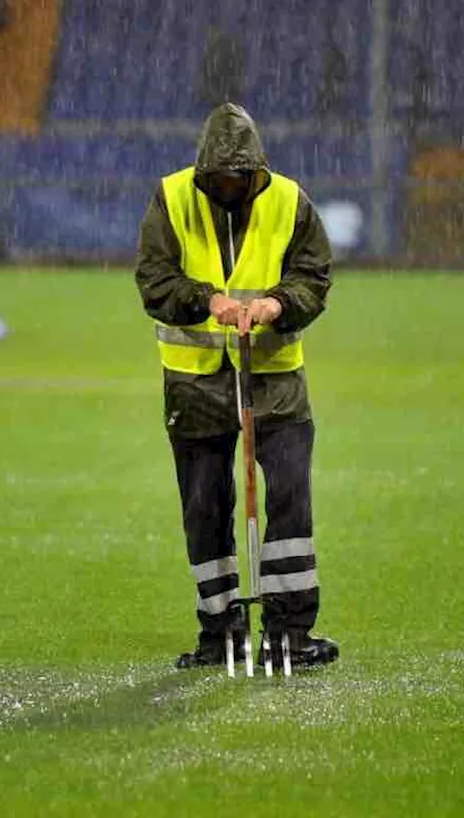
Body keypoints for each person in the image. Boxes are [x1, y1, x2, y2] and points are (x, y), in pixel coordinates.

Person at [134, 102, 338, 671]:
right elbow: (155, 281)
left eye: (237, 178)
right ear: (203, 172)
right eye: (218, 178)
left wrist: (277, 304)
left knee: (291, 499)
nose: (228, 186)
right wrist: (209, 301)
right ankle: (220, 632)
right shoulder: (172, 199)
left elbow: (313, 275)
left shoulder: (290, 201)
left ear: (256, 172)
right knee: (204, 509)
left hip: (275, 379)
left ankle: (289, 634)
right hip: (194, 386)